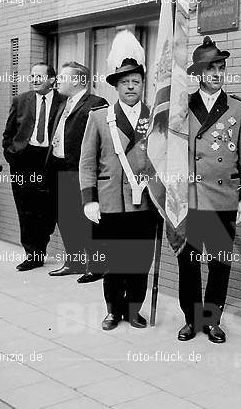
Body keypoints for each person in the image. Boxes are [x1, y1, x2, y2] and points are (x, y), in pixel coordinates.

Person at [79, 30, 162, 330]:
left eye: (136, 81)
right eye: (125, 82)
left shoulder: (155, 118)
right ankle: (113, 310)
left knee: (140, 260)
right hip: (112, 201)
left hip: (145, 201)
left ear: (143, 84)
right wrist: (89, 200)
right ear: (115, 86)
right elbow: (87, 162)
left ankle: (134, 309)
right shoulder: (100, 117)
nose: (131, 86)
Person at [176, 36, 241, 344]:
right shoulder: (182, 108)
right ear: (198, 73)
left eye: (221, 67)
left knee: (220, 262)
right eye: (211, 68)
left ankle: (213, 319)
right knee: (188, 263)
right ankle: (191, 319)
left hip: (223, 197)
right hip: (189, 198)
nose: (217, 73)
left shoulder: (239, 109)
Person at [46, 62, 108, 283]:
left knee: (87, 219)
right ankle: (74, 262)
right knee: (67, 219)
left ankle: (97, 266)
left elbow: (101, 141)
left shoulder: (96, 103)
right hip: (58, 167)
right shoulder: (65, 103)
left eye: (62, 77)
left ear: (77, 81)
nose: (57, 81)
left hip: (80, 171)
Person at [2, 63, 66, 271]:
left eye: (40, 76)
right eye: (32, 76)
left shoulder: (63, 101)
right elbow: (8, 132)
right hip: (24, 161)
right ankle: (33, 255)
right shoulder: (21, 100)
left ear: (52, 80)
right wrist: (12, 154)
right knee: (26, 210)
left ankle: (42, 247)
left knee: (47, 210)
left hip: (49, 161)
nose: (35, 79)